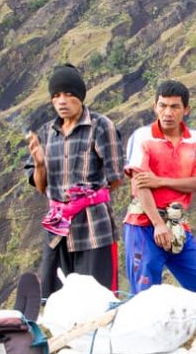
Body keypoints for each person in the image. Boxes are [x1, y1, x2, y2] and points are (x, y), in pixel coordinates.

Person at [122, 80, 196, 329]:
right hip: (143, 225)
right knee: (146, 289)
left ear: (186, 110)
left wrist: (160, 180)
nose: (167, 113)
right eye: (163, 106)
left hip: (177, 225)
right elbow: (141, 184)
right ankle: (146, 339)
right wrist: (158, 224)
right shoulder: (143, 137)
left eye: (174, 107)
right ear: (154, 106)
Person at [25, 64, 123, 299]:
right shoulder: (47, 133)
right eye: (56, 95)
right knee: (56, 300)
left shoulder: (101, 127)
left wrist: (84, 200)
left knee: (98, 299)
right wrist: (39, 164)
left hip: (93, 229)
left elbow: (116, 177)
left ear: (80, 96)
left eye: (69, 94)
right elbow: (41, 187)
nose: (62, 101)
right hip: (57, 230)